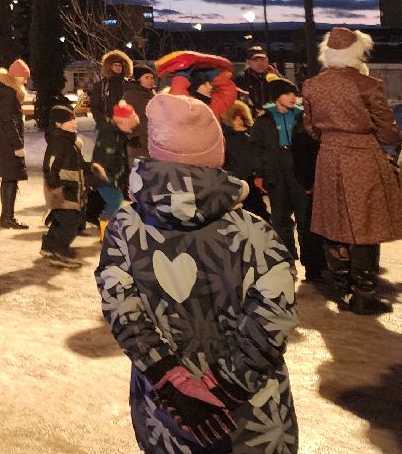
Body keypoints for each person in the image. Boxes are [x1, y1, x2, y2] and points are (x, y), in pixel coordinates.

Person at [96, 92, 298, 452]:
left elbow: (122, 310)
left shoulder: (126, 227)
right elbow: (274, 314)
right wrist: (228, 385)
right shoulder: (255, 231)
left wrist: (171, 380)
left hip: (169, 415)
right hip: (251, 414)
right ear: (215, 156)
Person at [302, 27, 402, 315]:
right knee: (365, 224)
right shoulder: (367, 84)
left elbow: (310, 127)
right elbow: (387, 131)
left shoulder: (311, 85)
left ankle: (342, 288)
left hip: (329, 158)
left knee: (333, 222)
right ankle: (364, 293)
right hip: (362, 157)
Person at [254, 75, 319, 279]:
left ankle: (313, 267)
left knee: (306, 219)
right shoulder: (264, 120)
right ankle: (286, 263)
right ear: (276, 96)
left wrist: (314, 176)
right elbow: (256, 148)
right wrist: (259, 173)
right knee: (280, 219)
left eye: (294, 93)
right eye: (287, 93)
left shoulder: (303, 117)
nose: (293, 97)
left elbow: (313, 146)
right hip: (276, 173)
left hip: (300, 171)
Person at [41, 105, 88, 268]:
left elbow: (79, 164)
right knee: (70, 223)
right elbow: (49, 166)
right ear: (58, 124)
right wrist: (58, 185)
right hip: (63, 190)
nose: (74, 123)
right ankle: (60, 252)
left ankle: (48, 246)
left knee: (61, 221)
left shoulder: (70, 141)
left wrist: (91, 169)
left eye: (74, 118)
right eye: (69, 120)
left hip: (71, 188)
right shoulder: (59, 142)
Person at [0, 59, 31, 229]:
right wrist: (18, 145)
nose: (26, 81)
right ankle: (7, 218)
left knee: (9, 179)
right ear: (15, 76)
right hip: (7, 142)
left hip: (4, 140)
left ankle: (7, 216)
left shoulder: (5, 89)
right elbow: (8, 120)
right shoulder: (8, 92)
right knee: (10, 179)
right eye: (24, 77)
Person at [90, 101, 140, 221]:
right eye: (130, 126)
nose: (131, 130)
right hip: (105, 178)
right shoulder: (110, 136)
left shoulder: (117, 133)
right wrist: (109, 177)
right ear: (121, 122)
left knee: (115, 202)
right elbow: (106, 159)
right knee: (115, 203)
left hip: (112, 177)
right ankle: (106, 227)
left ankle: (105, 223)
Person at [221, 100, 269, 218]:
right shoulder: (225, 138)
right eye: (235, 116)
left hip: (252, 180)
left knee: (259, 212)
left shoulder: (252, 134)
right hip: (236, 182)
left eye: (241, 116)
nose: (239, 119)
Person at [123, 67, 156, 163]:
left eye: (152, 77)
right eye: (146, 77)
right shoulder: (131, 94)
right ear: (138, 80)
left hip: (150, 139)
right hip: (139, 141)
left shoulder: (152, 94)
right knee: (139, 172)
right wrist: (133, 136)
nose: (150, 80)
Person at [235, 46, 273, 114]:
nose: (260, 64)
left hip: (270, 118)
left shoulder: (273, 75)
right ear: (248, 62)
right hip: (251, 119)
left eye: (262, 60)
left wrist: (277, 78)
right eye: (255, 61)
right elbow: (239, 103)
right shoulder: (242, 78)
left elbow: (288, 91)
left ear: (267, 60)